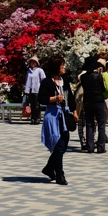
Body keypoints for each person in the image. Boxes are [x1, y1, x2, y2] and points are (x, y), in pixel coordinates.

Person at [39, 56, 75, 185]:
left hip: (64, 115)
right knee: (59, 146)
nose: (64, 67)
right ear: (56, 67)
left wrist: (74, 111)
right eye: (62, 65)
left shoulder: (64, 80)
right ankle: (60, 175)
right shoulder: (47, 82)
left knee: (64, 145)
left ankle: (49, 168)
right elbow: (41, 99)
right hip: (53, 116)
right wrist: (54, 98)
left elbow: (70, 96)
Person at [81, 56, 108, 154]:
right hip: (98, 101)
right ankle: (101, 147)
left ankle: (90, 146)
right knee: (101, 123)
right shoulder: (98, 76)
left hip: (87, 101)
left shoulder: (83, 77)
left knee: (89, 124)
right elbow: (103, 89)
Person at [24, 56, 45, 125]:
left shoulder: (40, 70)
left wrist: (42, 90)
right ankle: (32, 118)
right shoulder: (28, 71)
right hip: (30, 90)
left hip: (37, 90)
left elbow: (43, 80)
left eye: (34, 62)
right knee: (32, 105)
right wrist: (26, 91)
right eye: (31, 62)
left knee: (37, 105)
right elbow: (27, 81)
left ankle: (37, 118)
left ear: (36, 63)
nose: (33, 63)